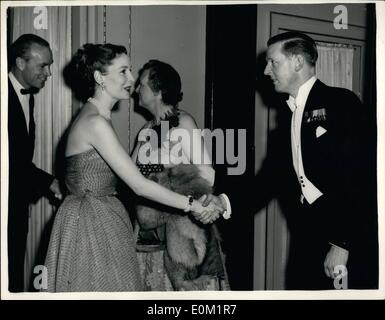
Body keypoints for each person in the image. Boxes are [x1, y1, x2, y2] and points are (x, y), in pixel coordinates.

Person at [205, 31, 378, 289]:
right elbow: (269, 180)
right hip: (308, 235)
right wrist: (223, 201)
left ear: (297, 62)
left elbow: (361, 177)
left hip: (344, 238)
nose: (266, 71)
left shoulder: (342, 103)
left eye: (273, 62)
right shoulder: (287, 117)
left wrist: (342, 243)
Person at [43, 44, 222, 292]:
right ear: (99, 78)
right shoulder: (98, 122)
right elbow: (137, 182)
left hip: (154, 228)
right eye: (124, 71)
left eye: (133, 74)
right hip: (94, 222)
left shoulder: (102, 118)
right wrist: (192, 204)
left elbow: (200, 173)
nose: (131, 80)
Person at [131, 59, 231, 291]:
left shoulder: (183, 123)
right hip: (149, 234)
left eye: (142, 84)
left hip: (182, 234)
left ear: (157, 91)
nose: (136, 89)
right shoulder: (146, 130)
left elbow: (207, 176)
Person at [7, 34, 62, 292]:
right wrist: (50, 182)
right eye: (43, 66)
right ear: (20, 62)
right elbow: (10, 162)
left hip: (14, 208)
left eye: (49, 65)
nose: (49, 73)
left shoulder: (27, 97)